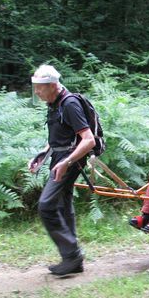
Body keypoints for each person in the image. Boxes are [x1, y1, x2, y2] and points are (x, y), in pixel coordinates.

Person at [28, 65, 96, 276]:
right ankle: (73, 258)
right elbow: (58, 138)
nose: (36, 92)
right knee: (64, 203)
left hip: (69, 161)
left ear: (52, 85)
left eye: (40, 88)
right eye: (35, 88)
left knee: (46, 205)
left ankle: (72, 255)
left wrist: (67, 162)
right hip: (60, 159)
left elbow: (89, 140)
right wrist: (41, 155)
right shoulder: (54, 103)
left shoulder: (69, 104)